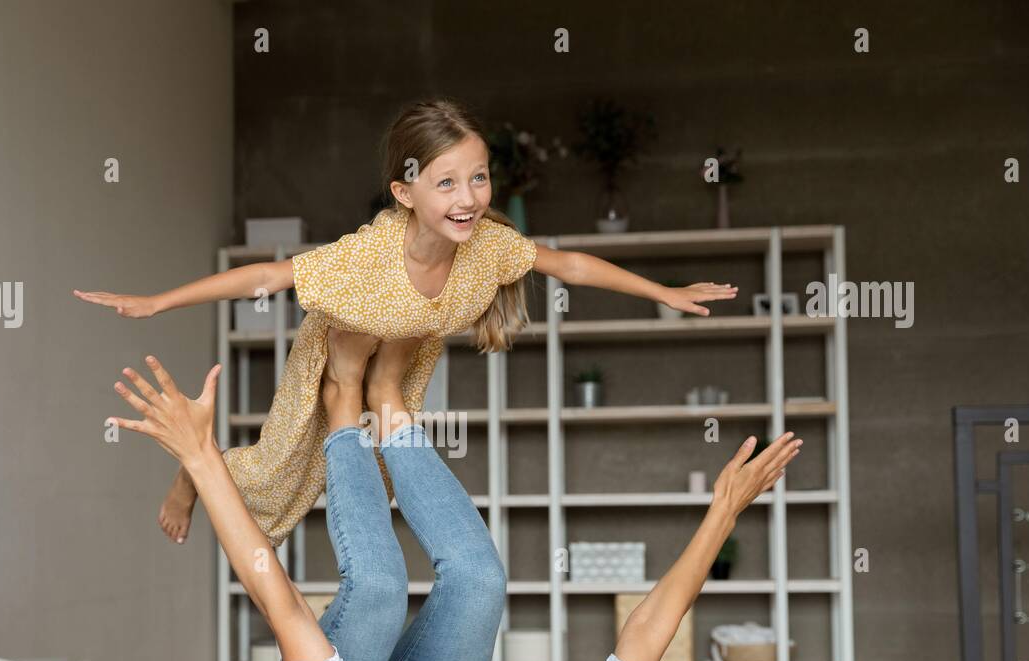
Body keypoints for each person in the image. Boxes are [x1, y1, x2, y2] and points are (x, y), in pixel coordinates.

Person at [107, 330, 802, 661]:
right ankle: (391, 408)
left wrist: (201, 458)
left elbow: (281, 605)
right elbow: (645, 636)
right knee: (479, 584)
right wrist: (724, 511)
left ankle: (345, 409)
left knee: (377, 590)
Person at [79, 96, 738, 549]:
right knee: (283, 470)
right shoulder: (364, 257)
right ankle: (195, 472)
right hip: (336, 351)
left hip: (408, 349)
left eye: (477, 178)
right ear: (406, 194)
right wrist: (157, 302)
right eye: (446, 184)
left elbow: (568, 265)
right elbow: (268, 278)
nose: (469, 198)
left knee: (381, 472)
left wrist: (664, 291)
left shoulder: (489, 247)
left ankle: (363, 415)